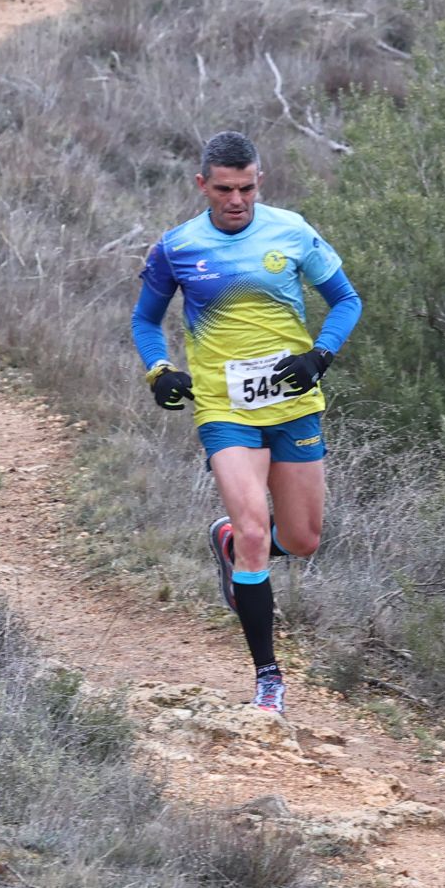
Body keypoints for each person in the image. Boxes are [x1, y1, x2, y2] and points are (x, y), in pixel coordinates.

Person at [131, 132, 363, 715]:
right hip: (225, 408)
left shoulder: (291, 229)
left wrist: (320, 356)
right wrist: (160, 370)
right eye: (225, 189)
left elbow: (347, 300)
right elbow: (144, 320)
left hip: (293, 407)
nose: (237, 200)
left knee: (302, 540)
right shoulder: (177, 246)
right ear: (202, 184)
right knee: (259, 533)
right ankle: (268, 680)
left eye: (248, 188)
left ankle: (228, 542)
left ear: (261, 181)